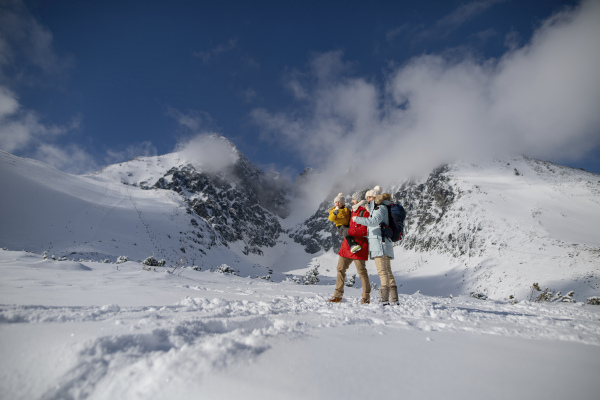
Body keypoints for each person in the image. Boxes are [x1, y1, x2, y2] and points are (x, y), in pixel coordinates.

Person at [353, 186, 399, 305]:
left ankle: (384, 300)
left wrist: (357, 219)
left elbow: (373, 221)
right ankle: (394, 299)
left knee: (382, 272)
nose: (368, 199)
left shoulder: (380, 208)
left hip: (380, 244)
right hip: (383, 243)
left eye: (370, 197)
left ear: (376, 197)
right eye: (367, 197)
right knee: (388, 272)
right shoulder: (380, 207)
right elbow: (369, 208)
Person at [328, 189, 371, 304]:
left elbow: (364, 231)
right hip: (347, 246)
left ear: (359, 200)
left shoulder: (365, 212)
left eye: (353, 199)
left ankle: (366, 297)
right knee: (340, 269)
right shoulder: (352, 211)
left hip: (359, 246)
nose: (352, 201)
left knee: (361, 272)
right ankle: (337, 295)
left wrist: (348, 231)